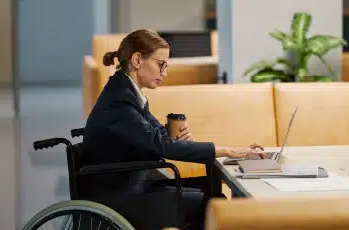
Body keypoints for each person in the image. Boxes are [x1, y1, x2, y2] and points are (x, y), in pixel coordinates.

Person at [80, 29, 265, 229]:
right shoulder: (120, 100)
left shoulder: (128, 92)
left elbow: (158, 135)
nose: (165, 73)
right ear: (137, 60)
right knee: (212, 204)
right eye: (161, 65)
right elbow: (160, 145)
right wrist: (227, 150)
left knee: (214, 195)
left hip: (134, 182)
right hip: (119, 194)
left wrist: (175, 138)